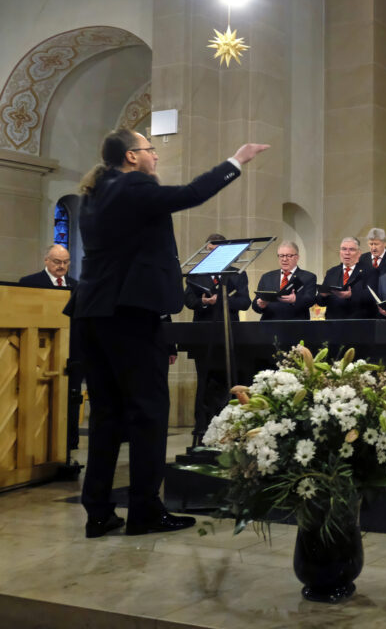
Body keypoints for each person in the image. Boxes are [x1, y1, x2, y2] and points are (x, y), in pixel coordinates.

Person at [67, 127, 268, 539]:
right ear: (130, 157)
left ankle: (99, 511)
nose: (155, 156)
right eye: (149, 149)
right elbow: (188, 195)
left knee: (107, 415)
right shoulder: (132, 185)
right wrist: (236, 161)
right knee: (148, 413)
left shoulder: (93, 194)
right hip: (130, 313)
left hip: (92, 314)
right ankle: (144, 510)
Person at [183, 233, 252, 446]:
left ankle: (227, 427)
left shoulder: (236, 274)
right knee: (203, 380)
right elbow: (188, 300)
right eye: (210, 251)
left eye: (217, 252)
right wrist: (203, 301)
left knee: (226, 381)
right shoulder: (197, 274)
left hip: (228, 334)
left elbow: (244, 302)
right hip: (203, 335)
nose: (213, 255)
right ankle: (202, 428)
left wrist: (222, 300)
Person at [21, 244, 81, 452]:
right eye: (57, 261)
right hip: (39, 352)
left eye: (65, 262)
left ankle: (69, 445)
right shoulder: (30, 283)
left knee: (71, 401)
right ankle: (37, 444)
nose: (61, 266)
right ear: (46, 260)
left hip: (71, 353)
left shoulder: (76, 286)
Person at [252, 241, 317, 320]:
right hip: (270, 325)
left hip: (296, 326)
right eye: (281, 256)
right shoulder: (267, 277)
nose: (284, 259)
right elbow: (255, 305)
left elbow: (310, 300)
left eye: (289, 256)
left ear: (297, 257)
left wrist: (295, 300)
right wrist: (260, 305)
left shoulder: (308, 277)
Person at [317, 237, 374, 319]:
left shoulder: (369, 271)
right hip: (333, 324)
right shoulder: (331, 272)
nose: (347, 253)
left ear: (359, 253)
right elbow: (320, 302)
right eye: (344, 249)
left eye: (351, 249)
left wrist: (351, 295)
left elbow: (371, 297)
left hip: (358, 323)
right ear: (340, 252)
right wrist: (323, 295)